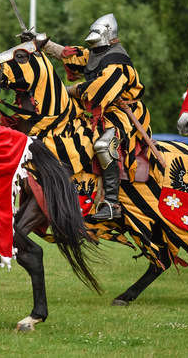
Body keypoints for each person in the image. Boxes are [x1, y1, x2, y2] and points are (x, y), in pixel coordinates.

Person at [40, 13, 151, 220]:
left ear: (107, 35)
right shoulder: (98, 53)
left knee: (103, 144)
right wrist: (41, 43)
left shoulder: (118, 61)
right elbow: (70, 55)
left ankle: (112, 203)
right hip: (102, 111)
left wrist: (66, 90)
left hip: (123, 113)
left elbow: (98, 89)